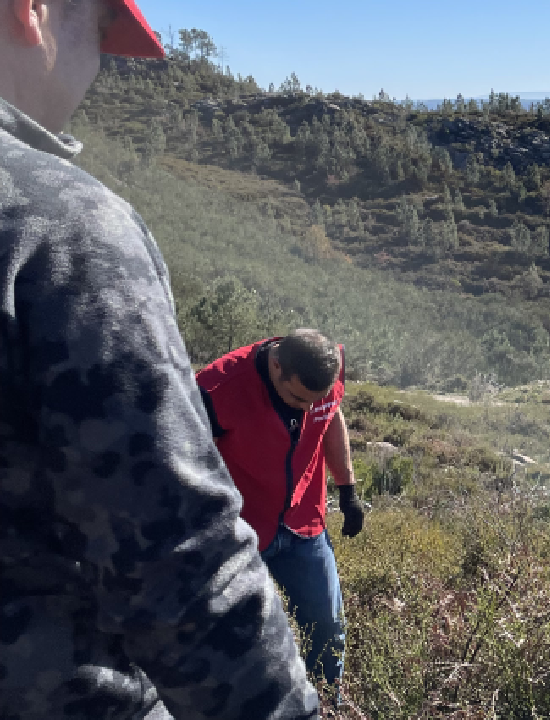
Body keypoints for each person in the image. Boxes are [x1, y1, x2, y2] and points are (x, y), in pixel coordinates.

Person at [0, 1, 319, 717]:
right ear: (32, 10)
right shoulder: (61, 227)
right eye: (98, 35)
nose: (95, 71)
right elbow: (177, 557)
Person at [196, 330, 365, 689]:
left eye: (314, 401)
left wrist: (348, 490)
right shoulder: (217, 389)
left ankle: (327, 704)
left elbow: (330, 416)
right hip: (241, 534)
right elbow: (187, 461)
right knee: (234, 639)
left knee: (327, 628)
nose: (306, 410)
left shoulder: (326, 369)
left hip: (304, 524)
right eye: (298, 399)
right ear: (276, 365)